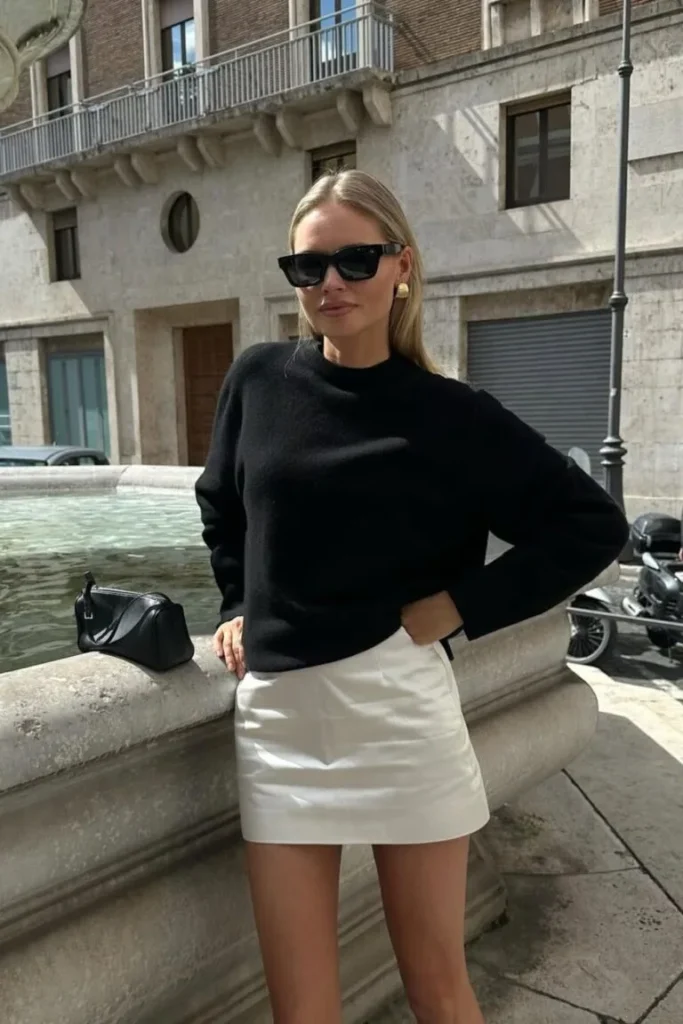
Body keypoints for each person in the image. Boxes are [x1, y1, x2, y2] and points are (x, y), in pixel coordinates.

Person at [195, 170, 629, 1024]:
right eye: (307, 266)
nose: (330, 284)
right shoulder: (258, 380)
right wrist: (234, 604)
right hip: (280, 720)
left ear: (403, 268)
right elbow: (221, 504)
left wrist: (461, 606)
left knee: (436, 987)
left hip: (400, 707)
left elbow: (589, 524)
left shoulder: (451, 416)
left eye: (355, 261)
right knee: (301, 1009)